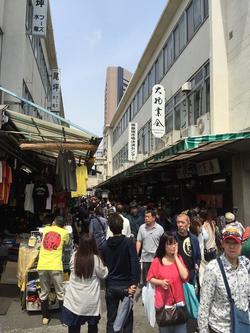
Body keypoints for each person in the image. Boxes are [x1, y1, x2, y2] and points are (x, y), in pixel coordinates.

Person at [198, 224, 250, 333]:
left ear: (241, 243)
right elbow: (204, 305)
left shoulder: (246, 265)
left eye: (235, 242)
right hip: (220, 328)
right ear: (222, 244)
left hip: (243, 326)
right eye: (228, 242)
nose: (232, 247)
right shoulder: (213, 268)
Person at [101, 213, 140, 333]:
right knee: (127, 318)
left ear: (110, 228)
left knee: (111, 318)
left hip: (111, 285)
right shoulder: (129, 243)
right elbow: (134, 263)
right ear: (122, 226)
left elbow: (104, 265)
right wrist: (134, 283)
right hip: (126, 285)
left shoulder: (105, 245)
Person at [61, 234, 108, 333]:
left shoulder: (74, 256)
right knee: (92, 327)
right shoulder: (96, 259)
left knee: (73, 327)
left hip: (74, 300)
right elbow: (104, 274)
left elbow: (71, 268)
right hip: (91, 301)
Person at [147, 232, 189, 333]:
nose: (173, 246)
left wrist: (175, 257)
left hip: (179, 303)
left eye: (175, 243)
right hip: (163, 304)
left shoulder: (178, 258)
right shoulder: (157, 261)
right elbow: (149, 278)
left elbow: (185, 276)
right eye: (170, 244)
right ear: (163, 245)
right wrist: (160, 282)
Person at [37, 216, 70, 325]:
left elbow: (41, 233)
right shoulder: (65, 232)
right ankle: (63, 319)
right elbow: (67, 243)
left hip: (42, 265)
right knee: (60, 292)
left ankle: (45, 317)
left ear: (53, 223)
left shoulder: (46, 229)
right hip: (55, 266)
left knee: (44, 292)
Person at [136, 210, 164, 285]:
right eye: (145, 217)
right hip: (145, 258)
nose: (146, 218)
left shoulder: (160, 229)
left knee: (156, 279)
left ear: (154, 218)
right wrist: (136, 254)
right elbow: (139, 241)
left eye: (148, 217)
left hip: (156, 258)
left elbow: (163, 244)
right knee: (146, 280)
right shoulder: (142, 228)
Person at [175, 213, 201, 284]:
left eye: (182, 222)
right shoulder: (172, 238)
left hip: (190, 274)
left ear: (188, 224)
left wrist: (197, 265)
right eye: (178, 222)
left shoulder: (194, 238)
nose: (180, 225)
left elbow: (198, 256)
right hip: (176, 273)